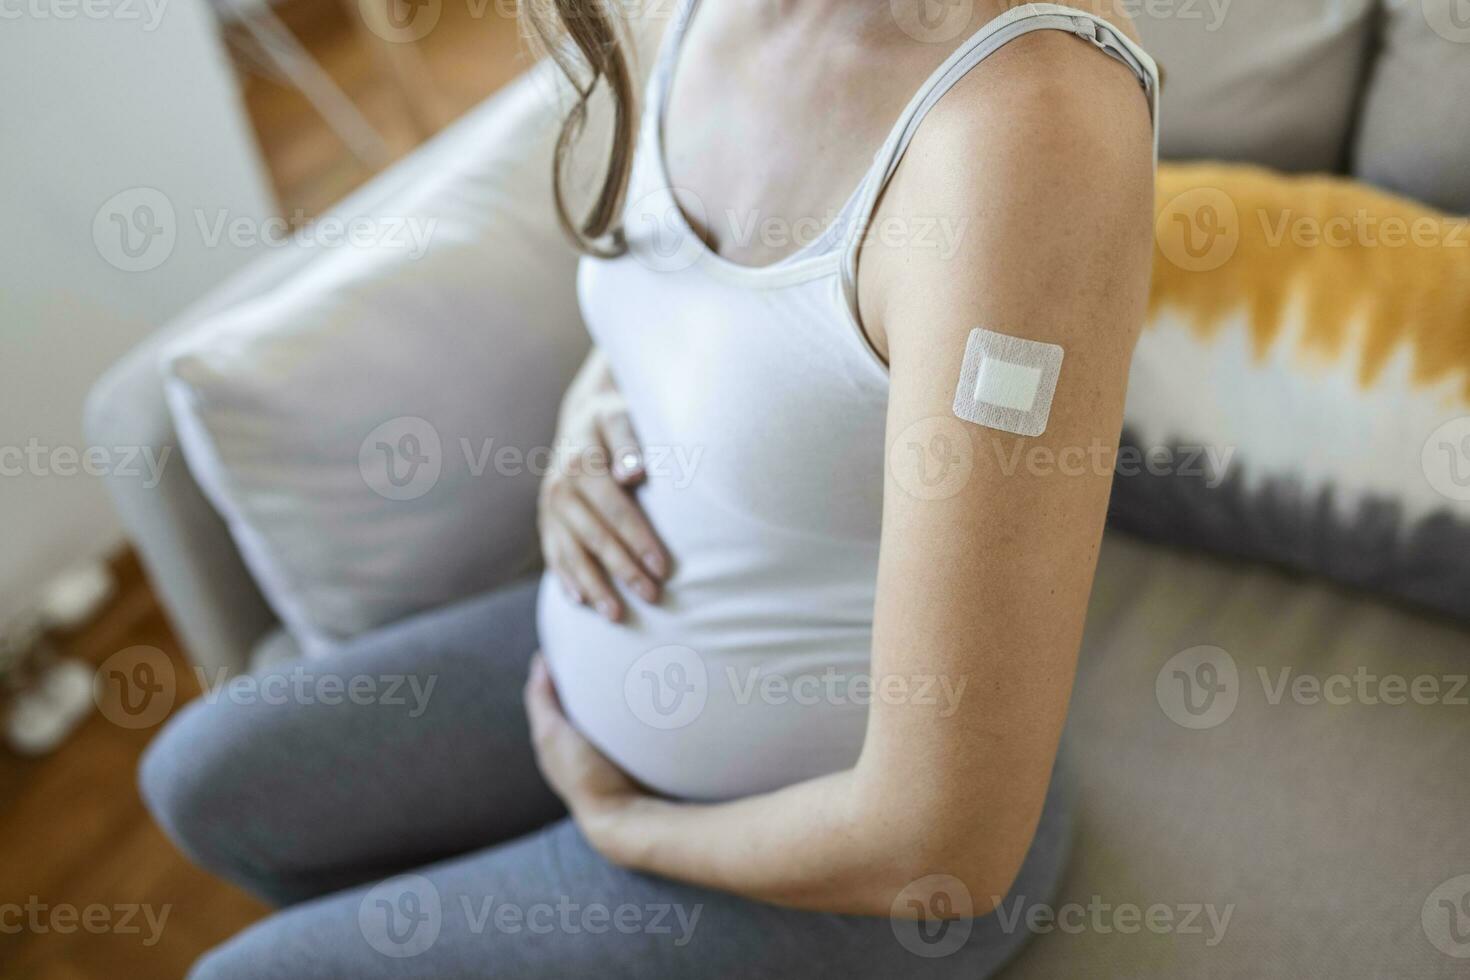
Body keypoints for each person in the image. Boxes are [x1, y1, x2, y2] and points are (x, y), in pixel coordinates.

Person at [140, 1, 1160, 974]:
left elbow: (944, 844)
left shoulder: (1031, 135)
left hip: (852, 862)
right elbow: (713, 315)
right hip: (596, 670)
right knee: (203, 784)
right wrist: (586, 414)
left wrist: (632, 833)